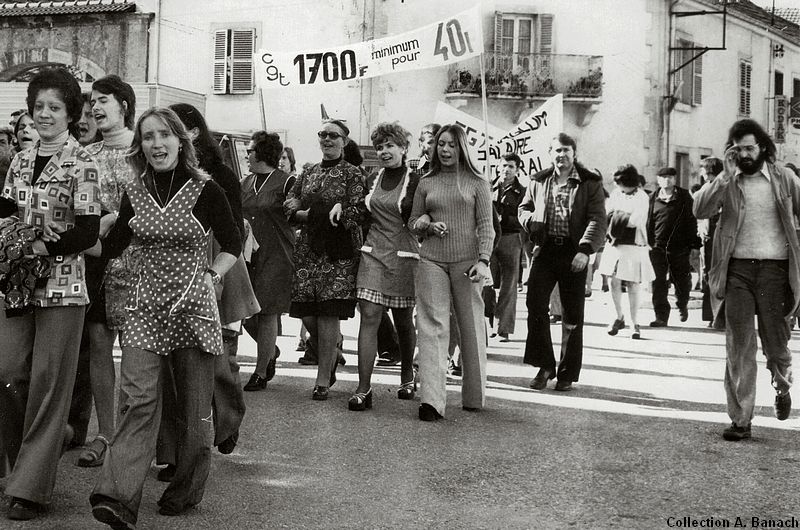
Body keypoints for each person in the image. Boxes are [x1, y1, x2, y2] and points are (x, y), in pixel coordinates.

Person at [88, 107, 240, 527]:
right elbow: (114, 246)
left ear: (180, 140)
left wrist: (213, 274)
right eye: (148, 137)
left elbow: (233, 242)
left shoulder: (206, 190)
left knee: (193, 412)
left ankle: (186, 489)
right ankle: (116, 496)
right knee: (138, 401)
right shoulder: (134, 191)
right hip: (144, 308)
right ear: (141, 145)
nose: (156, 144)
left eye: (163, 136)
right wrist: (74, 239)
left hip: (193, 309)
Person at [0, 67, 101, 521]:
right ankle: (21, 462)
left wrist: (38, 240)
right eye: (38, 106)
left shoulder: (84, 162)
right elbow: (5, 211)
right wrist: (19, 237)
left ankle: (30, 487)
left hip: (64, 285)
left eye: (54, 107)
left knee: (46, 384)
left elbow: (86, 231)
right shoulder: (20, 160)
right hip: (19, 282)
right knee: (8, 374)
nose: (44, 114)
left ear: (70, 112)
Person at [154, 103, 258, 479]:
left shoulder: (221, 177)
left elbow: (233, 232)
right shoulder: (156, 173)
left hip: (213, 268)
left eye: (171, 130)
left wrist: (214, 278)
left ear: (193, 133)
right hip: (167, 276)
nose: (162, 140)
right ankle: (171, 452)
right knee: (166, 367)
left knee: (214, 360)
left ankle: (228, 421)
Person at [694, 119, 800, 441]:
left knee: (776, 346)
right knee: (738, 346)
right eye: (738, 149)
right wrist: (724, 176)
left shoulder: (785, 179)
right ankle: (741, 419)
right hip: (737, 270)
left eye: (749, 148)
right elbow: (699, 209)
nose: (744, 155)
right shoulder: (729, 181)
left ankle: (782, 384)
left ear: (763, 148)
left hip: (775, 272)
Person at [70, 75, 137, 469]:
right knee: (98, 346)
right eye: (92, 102)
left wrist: (116, 217)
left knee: (135, 354)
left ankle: (135, 435)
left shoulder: (144, 149)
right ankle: (105, 434)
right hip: (96, 260)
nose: (94, 108)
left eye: (103, 101)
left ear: (124, 105)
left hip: (137, 260)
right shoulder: (85, 154)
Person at [409, 123, 494, 421]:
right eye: (440, 144)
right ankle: (432, 401)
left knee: (470, 327)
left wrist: (483, 260)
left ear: (462, 148)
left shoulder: (477, 182)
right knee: (432, 326)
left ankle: (474, 395)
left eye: (451, 145)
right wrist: (428, 224)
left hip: (467, 262)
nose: (444, 150)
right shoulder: (426, 181)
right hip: (431, 258)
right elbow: (413, 222)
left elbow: (486, 226)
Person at [283, 119, 366, 401]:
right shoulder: (308, 171)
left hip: (337, 252)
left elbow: (355, 212)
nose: (327, 139)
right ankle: (332, 353)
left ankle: (322, 378)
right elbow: (290, 207)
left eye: (333, 135)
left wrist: (315, 212)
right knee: (307, 313)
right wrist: (306, 209)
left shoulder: (353, 174)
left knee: (328, 313)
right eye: (323, 134)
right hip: (308, 251)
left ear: (344, 141)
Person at [519, 132, 606, 392]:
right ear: (550, 154)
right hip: (545, 250)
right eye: (557, 150)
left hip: (574, 252)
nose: (561, 155)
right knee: (535, 305)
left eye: (566, 150)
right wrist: (530, 220)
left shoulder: (590, 182)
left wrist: (585, 249)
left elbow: (598, 219)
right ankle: (545, 365)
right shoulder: (539, 180)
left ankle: (567, 372)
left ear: (574, 154)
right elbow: (523, 208)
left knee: (572, 314)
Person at [349, 122, 419, 411]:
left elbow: (420, 215)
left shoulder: (417, 179)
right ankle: (363, 389)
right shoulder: (372, 178)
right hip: (373, 253)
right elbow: (361, 210)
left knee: (403, 320)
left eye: (390, 145)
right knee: (369, 315)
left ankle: (406, 375)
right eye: (380, 147)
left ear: (403, 148)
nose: (384, 151)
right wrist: (346, 208)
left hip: (403, 255)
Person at [241, 131, 295, 391]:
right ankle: (269, 350)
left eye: (250, 150)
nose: (246, 155)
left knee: (267, 312)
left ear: (262, 153)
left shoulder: (286, 182)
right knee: (245, 311)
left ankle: (261, 371)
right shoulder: (245, 182)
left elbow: (298, 213)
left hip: (276, 254)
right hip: (249, 254)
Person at [599, 165, 654, 340]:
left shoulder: (642, 197)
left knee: (633, 284)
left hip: (634, 244)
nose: (617, 186)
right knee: (613, 281)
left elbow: (634, 221)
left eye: (620, 182)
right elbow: (606, 214)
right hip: (615, 243)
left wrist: (617, 215)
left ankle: (634, 321)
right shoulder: (616, 194)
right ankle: (619, 316)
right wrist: (619, 215)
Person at [646, 167, 701, 327]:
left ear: (675, 179)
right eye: (663, 177)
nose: (667, 180)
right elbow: (647, 222)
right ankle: (661, 317)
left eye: (670, 177)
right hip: (657, 248)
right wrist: (648, 243)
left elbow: (692, 221)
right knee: (658, 282)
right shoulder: (652, 198)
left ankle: (682, 303)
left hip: (680, 248)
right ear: (658, 179)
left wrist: (694, 245)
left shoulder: (684, 197)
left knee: (682, 281)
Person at [490, 154, 526, 342]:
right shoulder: (487, 186)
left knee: (508, 286)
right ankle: (486, 325)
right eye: (504, 165)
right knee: (486, 284)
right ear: (498, 166)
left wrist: (505, 219)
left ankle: (503, 328)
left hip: (510, 238)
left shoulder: (522, 191)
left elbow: (524, 216)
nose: (507, 169)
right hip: (488, 238)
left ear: (518, 169)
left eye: (511, 166)